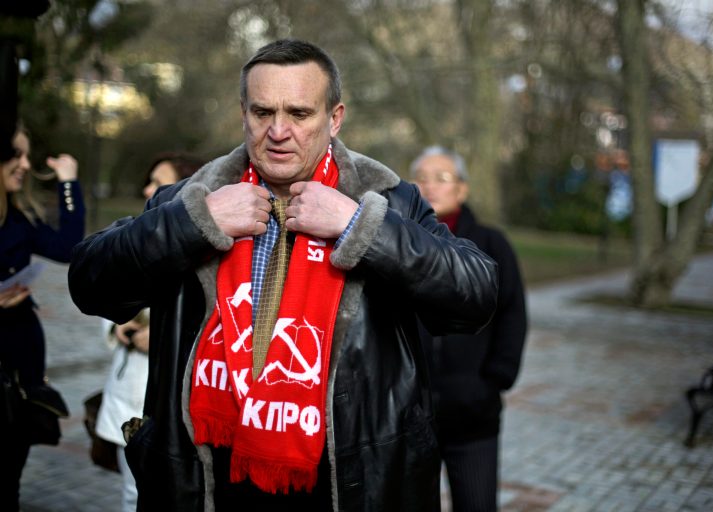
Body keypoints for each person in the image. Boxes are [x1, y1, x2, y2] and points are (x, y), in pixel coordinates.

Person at [67, 39, 498, 511]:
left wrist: (360, 228)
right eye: (262, 112)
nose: (278, 131)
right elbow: (91, 284)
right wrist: (193, 224)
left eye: (298, 113)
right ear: (243, 113)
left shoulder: (387, 201)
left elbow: (475, 295)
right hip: (208, 480)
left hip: (345, 483)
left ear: (334, 119)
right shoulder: (190, 200)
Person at [411, 146, 527, 512]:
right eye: (421, 178)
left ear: (462, 189)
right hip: (409, 415)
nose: (430, 186)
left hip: (472, 412)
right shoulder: (397, 242)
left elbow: (513, 313)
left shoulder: (491, 244)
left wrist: (496, 377)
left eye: (442, 178)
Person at [95, 152, 204, 512]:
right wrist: (119, 323)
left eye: (158, 182)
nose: (147, 188)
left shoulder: (197, 245)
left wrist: (153, 338)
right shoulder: (139, 236)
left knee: (142, 494)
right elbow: (106, 296)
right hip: (122, 392)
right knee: (129, 492)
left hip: (160, 405)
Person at [0, 126, 84, 511]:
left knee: (10, 482)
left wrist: (68, 184)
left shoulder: (18, 220)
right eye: (16, 155)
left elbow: (68, 247)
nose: (26, 165)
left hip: (21, 379)